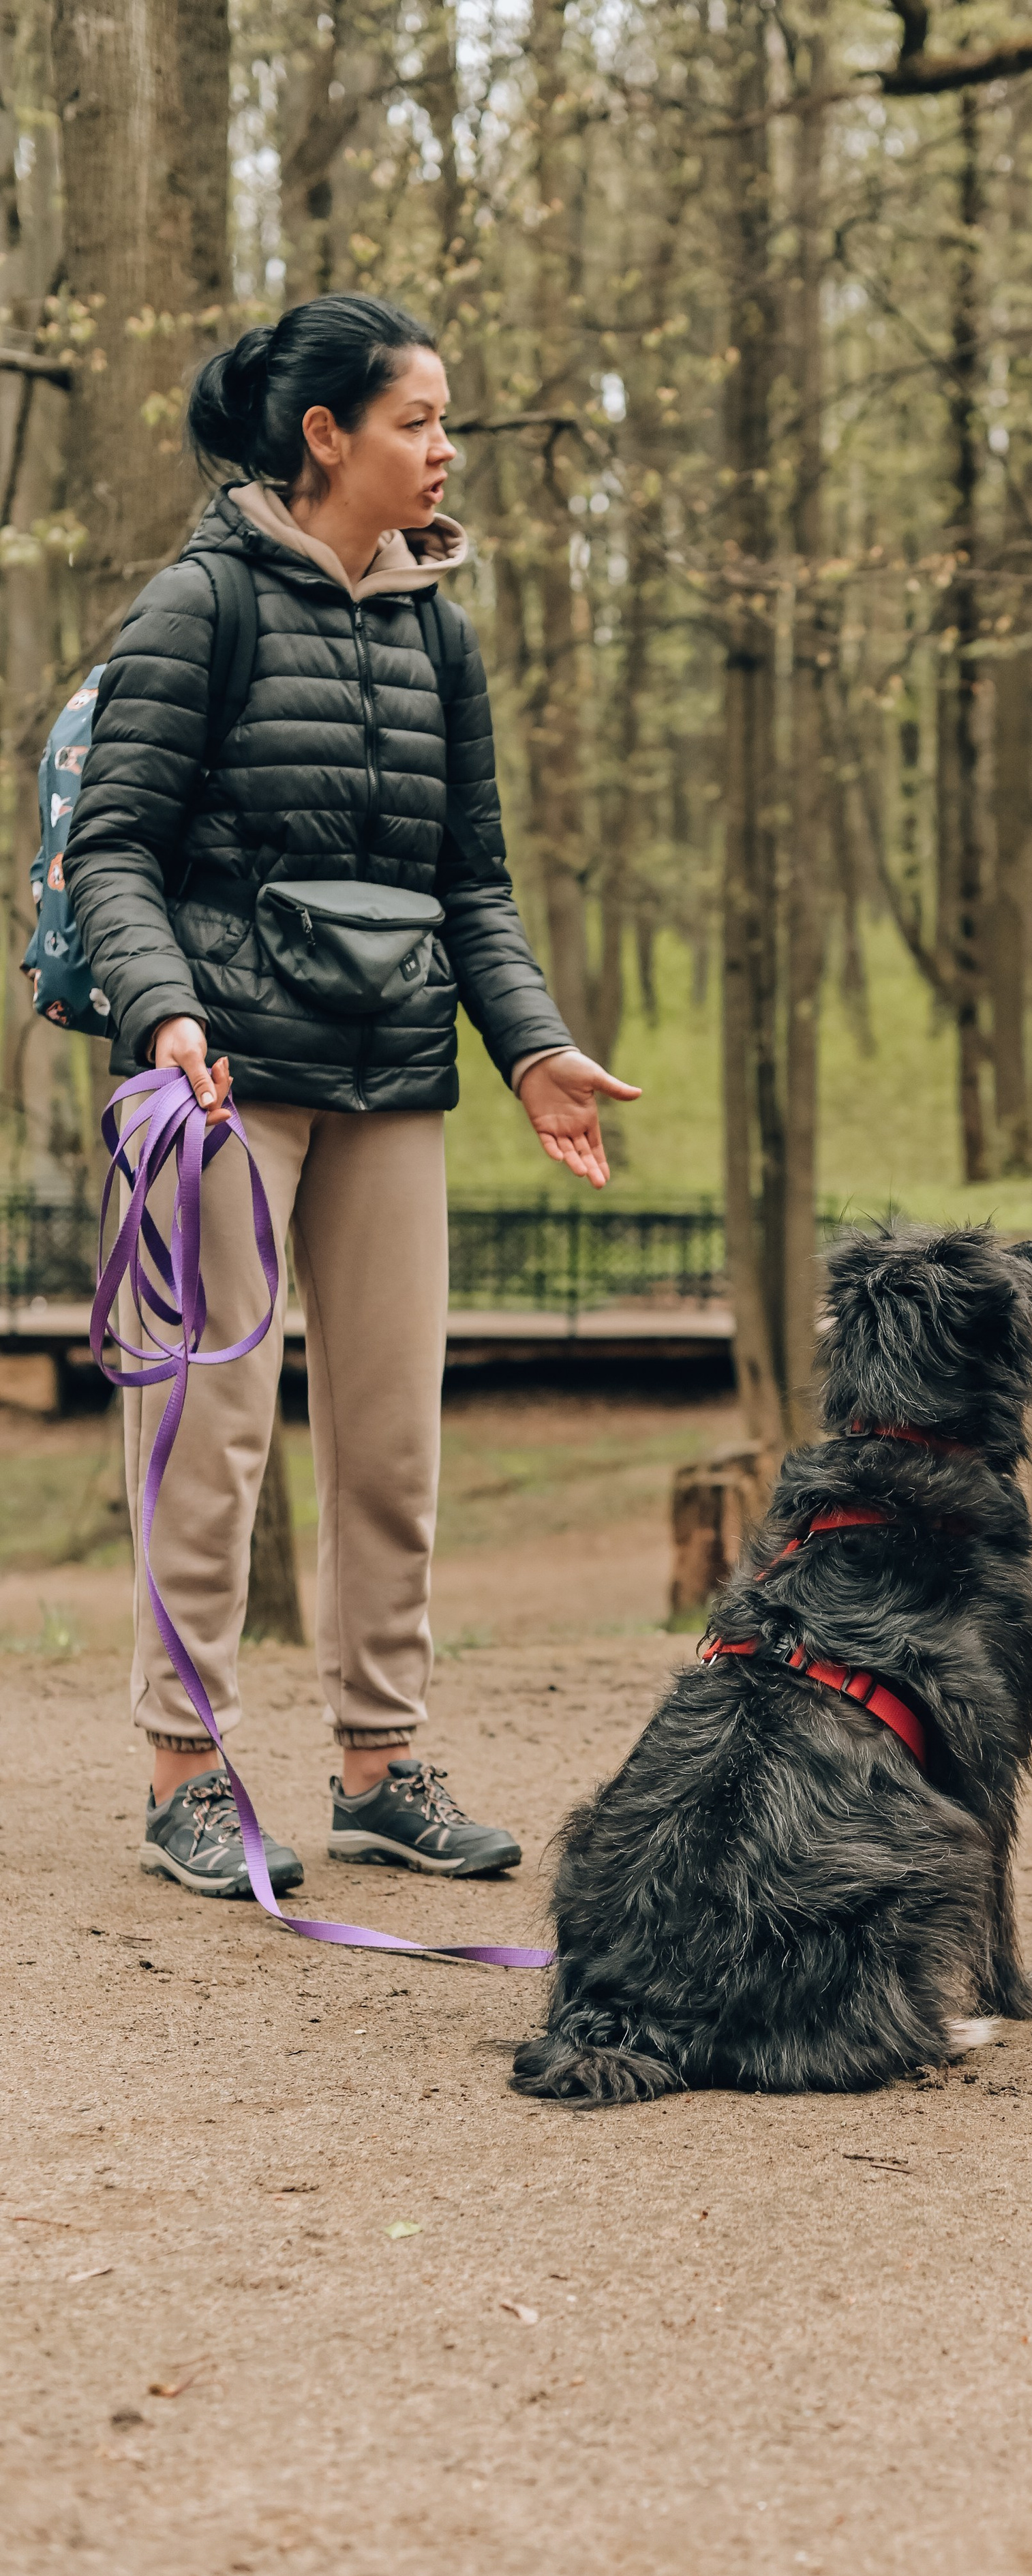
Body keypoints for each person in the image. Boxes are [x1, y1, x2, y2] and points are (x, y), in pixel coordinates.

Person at [63, 292, 639, 1899]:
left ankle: (381, 1766)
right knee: (209, 1431)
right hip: (223, 1082)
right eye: (418, 421)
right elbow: (111, 852)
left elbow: (474, 886)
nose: (446, 447)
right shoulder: (197, 606)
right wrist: (164, 1011)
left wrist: (532, 1052)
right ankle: (187, 1771)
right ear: (326, 438)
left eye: (446, 421)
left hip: (392, 1072)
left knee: (389, 1437)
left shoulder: (435, 627)